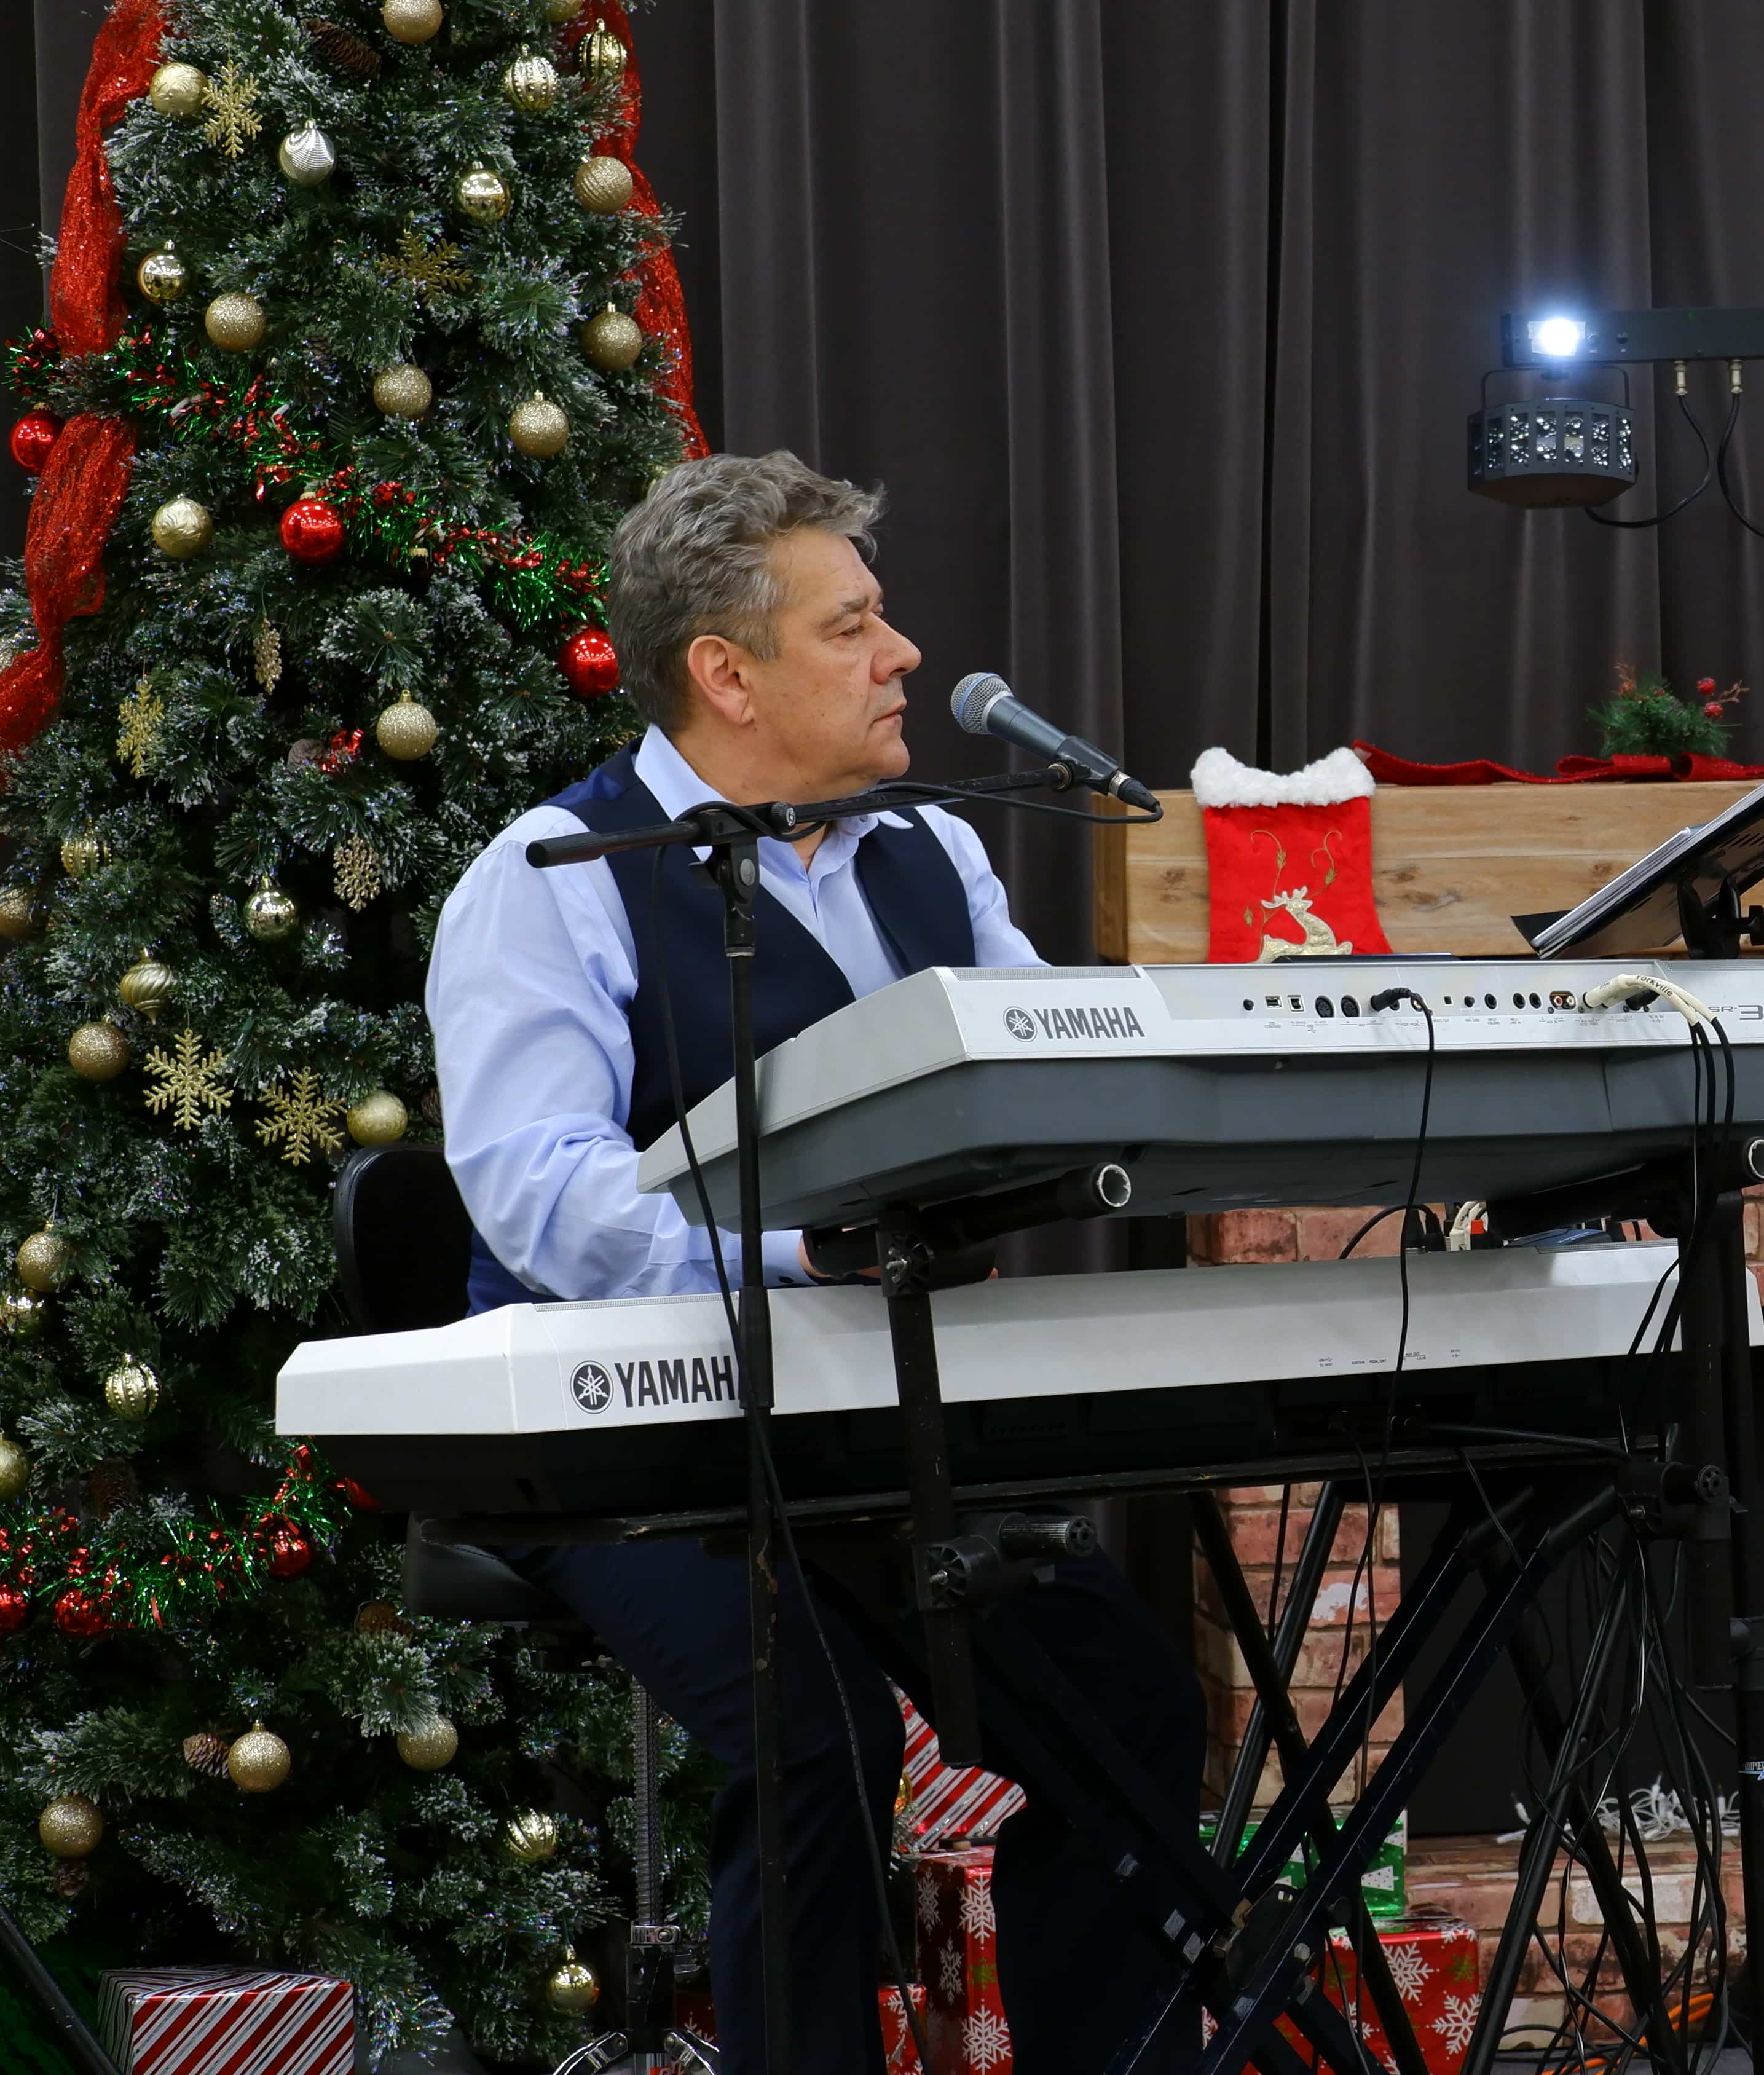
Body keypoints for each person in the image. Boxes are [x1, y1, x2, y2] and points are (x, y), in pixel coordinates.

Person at [428, 452, 1214, 2074]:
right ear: (728, 674)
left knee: (1122, 1705)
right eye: (851, 626)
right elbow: (539, 1197)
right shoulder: (551, 879)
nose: (903, 652)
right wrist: (796, 1250)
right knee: (820, 1742)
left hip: (875, 1409)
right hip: (622, 1429)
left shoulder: (931, 849)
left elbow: (1045, 1073)